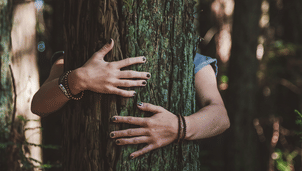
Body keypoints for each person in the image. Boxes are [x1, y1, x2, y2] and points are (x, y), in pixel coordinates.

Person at [31, 39, 230, 159]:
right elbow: (39, 105)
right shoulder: (75, 53)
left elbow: (220, 117)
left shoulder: (190, 59)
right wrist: (79, 79)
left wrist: (179, 127)